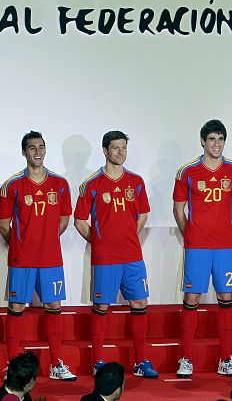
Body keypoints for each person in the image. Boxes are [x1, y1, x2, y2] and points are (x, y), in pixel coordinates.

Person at [74, 131, 158, 378]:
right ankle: (98, 360)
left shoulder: (137, 181)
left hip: (133, 256)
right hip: (105, 259)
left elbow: (143, 215)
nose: (120, 153)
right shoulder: (91, 184)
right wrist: (100, 242)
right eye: (115, 148)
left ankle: (141, 361)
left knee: (140, 303)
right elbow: (79, 221)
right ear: (105, 151)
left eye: (124, 148)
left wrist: (128, 236)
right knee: (101, 305)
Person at [0, 131, 76, 380]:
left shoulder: (60, 184)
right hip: (22, 260)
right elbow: (3, 224)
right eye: (32, 148)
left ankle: (56, 364)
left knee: (54, 305)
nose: (38, 152)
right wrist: (21, 245)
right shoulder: (12, 185)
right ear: (24, 152)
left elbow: (64, 219)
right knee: (17, 305)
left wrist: (48, 239)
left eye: (41, 147)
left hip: (51, 258)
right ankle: (12, 365)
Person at [173, 119, 232, 378]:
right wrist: (192, 233)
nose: (216, 144)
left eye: (220, 139)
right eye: (212, 139)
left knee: (226, 298)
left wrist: (227, 229)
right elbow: (178, 209)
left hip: (225, 246)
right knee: (192, 299)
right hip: (198, 246)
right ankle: (186, 358)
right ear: (203, 141)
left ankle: (226, 359)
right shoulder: (188, 172)